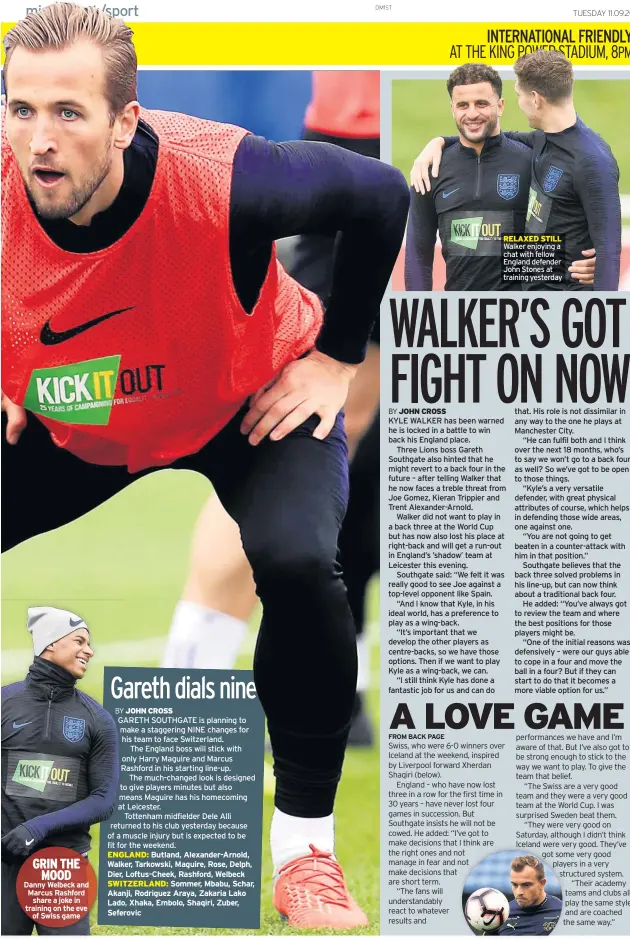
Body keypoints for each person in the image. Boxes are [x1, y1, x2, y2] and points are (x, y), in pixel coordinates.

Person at [1, 5, 409, 928]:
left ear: (126, 120)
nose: (39, 139)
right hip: (89, 418)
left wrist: (338, 356)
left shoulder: (224, 177)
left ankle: (304, 854)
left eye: (69, 112)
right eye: (20, 110)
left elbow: (382, 194)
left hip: (247, 403)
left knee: (303, 562)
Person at [162, 71, 382, 746]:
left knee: (387, 436)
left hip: (490, 157)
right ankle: (186, 705)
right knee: (299, 422)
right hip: (366, 141)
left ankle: (337, 682)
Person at [409, 52, 619, 290]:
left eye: (481, 103)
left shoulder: (579, 158)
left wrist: (597, 268)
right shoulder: (542, 142)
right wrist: (439, 141)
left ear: (533, 100)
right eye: (462, 105)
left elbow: (608, 248)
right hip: (479, 313)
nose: (472, 113)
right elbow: (491, 137)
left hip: (546, 312)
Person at [1, 607, 118, 936]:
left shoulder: (97, 719)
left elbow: (103, 799)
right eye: (79, 641)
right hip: (4, 862)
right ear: (50, 644)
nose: (89, 651)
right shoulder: (4, 704)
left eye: (89, 644)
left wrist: (36, 828)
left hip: (63, 865)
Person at [498, 855, 562, 935]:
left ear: (542, 883)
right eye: (514, 885)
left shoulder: (561, 912)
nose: (519, 892)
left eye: (526, 885)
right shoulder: (501, 914)